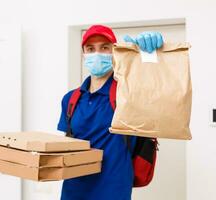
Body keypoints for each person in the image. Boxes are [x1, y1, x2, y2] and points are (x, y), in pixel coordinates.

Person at [57, 24, 163, 200]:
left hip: (113, 190)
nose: (97, 54)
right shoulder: (70, 99)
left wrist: (150, 56)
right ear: (84, 54)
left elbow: (159, 91)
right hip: (73, 190)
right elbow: (67, 146)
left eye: (104, 48)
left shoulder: (129, 93)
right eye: (90, 49)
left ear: (115, 52)